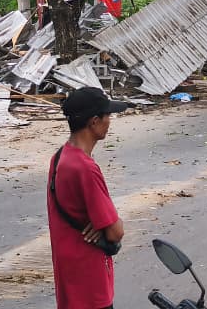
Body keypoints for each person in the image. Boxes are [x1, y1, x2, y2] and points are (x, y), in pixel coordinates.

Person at [48, 87, 128, 309]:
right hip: (90, 282)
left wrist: (99, 223)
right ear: (94, 122)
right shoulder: (85, 168)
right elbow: (115, 231)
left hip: (69, 277)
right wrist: (106, 225)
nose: (110, 121)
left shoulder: (59, 158)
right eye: (108, 115)